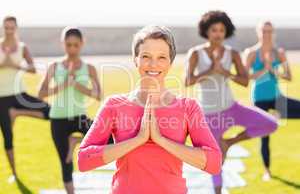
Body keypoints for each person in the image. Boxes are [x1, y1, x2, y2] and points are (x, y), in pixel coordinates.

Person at [77, 25, 222, 194]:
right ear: (135, 59)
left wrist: (161, 140)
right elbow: (84, 161)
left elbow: (214, 163)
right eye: (146, 56)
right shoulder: (114, 105)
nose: (153, 64)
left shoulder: (187, 108)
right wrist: (138, 139)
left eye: (161, 57)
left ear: (170, 61)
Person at [184, 11, 278, 194]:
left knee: (270, 123)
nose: (218, 34)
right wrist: (211, 70)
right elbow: (187, 80)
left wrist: (225, 72)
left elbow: (244, 81)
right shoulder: (196, 53)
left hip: (232, 108)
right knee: (216, 161)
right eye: (214, 30)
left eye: (221, 30)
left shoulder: (232, 53)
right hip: (210, 115)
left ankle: (229, 143)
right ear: (206, 31)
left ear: (226, 32)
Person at [38, 27, 113, 194]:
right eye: (68, 45)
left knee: (110, 139)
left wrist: (76, 84)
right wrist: (64, 84)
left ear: (82, 44)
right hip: (58, 119)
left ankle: (75, 141)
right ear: (62, 44)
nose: (72, 49)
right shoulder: (55, 66)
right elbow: (41, 93)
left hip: (79, 117)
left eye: (75, 45)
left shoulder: (89, 68)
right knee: (66, 163)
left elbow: (98, 95)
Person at [244, 21, 300, 181]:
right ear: (258, 32)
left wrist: (275, 71)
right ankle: (267, 171)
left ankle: (277, 115)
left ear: (273, 33)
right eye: (264, 31)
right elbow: (245, 78)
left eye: (269, 31)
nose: (267, 34)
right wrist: (264, 69)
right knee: (265, 136)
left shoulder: (280, 52)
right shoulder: (251, 53)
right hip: (259, 99)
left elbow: (289, 76)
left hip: (277, 98)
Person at [0, 16, 50, 182]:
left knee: (50, 111)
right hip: (2, 98)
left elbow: (33, 69)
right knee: (8, 137)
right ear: (2, 28)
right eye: (6, 27)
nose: (8, 31)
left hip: (20, 94)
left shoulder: (22, 47)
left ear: (16, 28)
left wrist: (16, 65)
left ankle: (18, 113)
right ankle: (14, 174)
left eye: (11, 28)